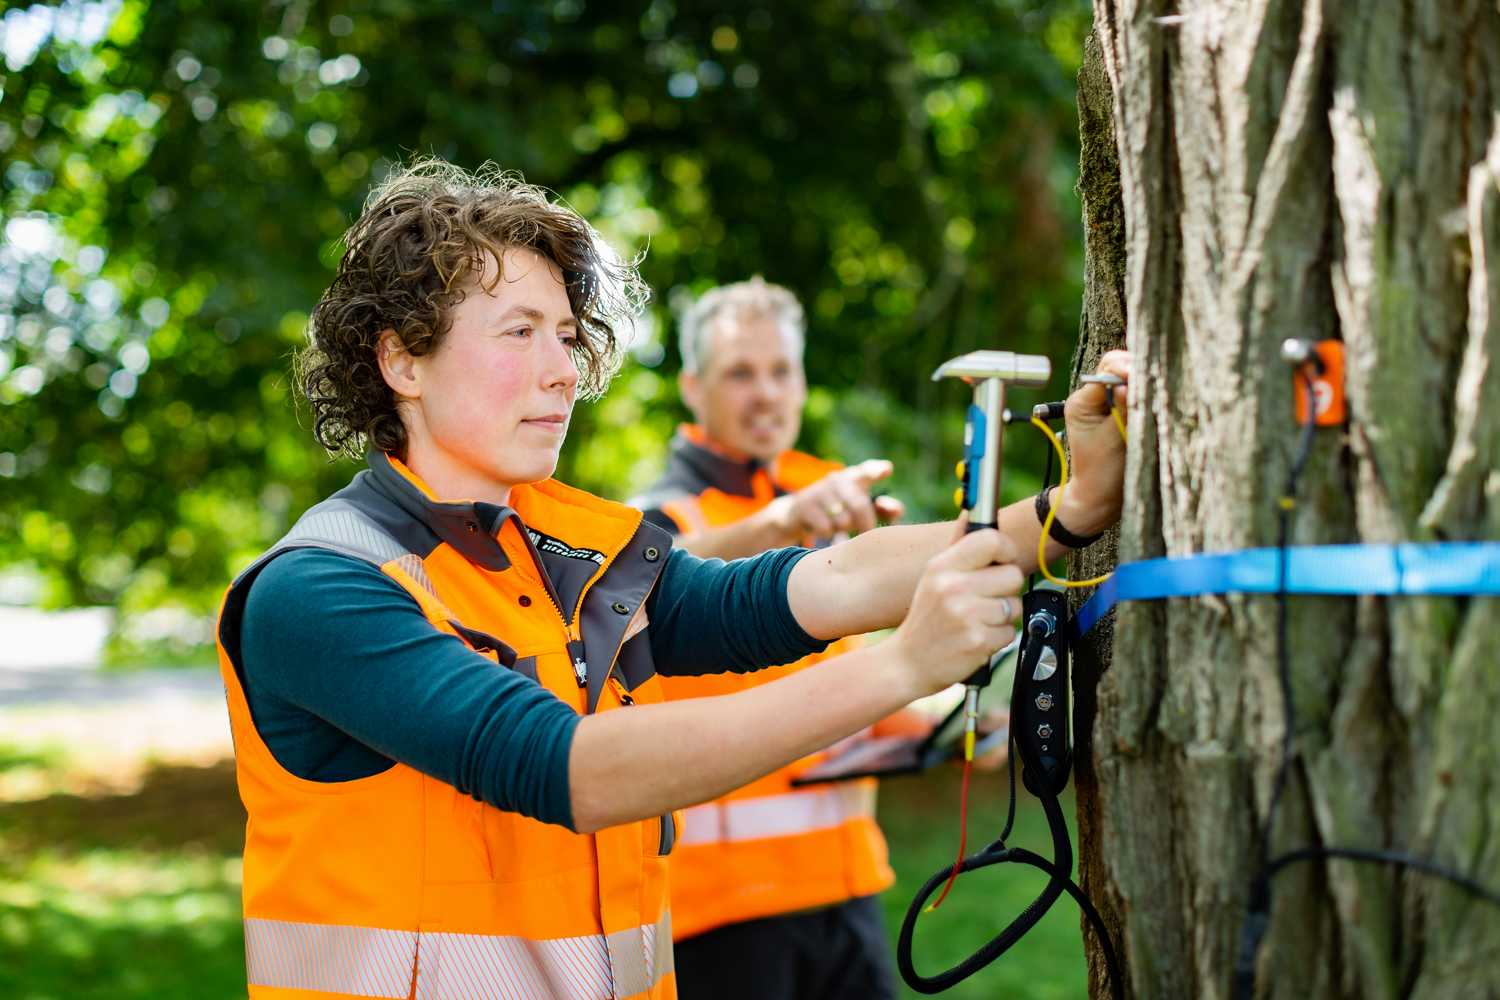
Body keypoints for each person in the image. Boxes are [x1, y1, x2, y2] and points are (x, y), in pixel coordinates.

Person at [213, 159, 1128, 1000]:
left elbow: (810, 585)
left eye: (567, 336)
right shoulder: (320, 590)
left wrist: (1065, 512)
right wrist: (902, 666)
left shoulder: (567, 551)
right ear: (399, 358)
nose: (562, 372)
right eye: (519, 332)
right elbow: (568, 768)